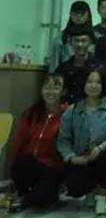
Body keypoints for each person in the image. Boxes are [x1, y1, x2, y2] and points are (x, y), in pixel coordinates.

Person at [57, 66, 106, 214]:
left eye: (98, 82)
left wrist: (100, 148)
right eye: (89, 81)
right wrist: (72, 157)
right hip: (83, 158)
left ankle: (103, 194)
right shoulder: (72, 110)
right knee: (74, 187)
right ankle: (90, 191)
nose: (93, 86)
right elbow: (63, 141)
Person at [10, 73, 68, 210]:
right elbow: (19, 143)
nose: (50, 92)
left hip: (53, 170)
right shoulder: (32, 113)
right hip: (32, 165)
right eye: (46, 87)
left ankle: (43, 195)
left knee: (38, 201)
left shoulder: (68, 115)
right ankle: (25, 193)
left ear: (64, 91)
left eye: (56, 88)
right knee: (21, 161)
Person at [56, 25, 100, 103]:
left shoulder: (99, 67)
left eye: (84, 41)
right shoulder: (62, 68)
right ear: (71, 42)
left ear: (90, 42)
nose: (80, 44)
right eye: (76, 40)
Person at [52, 0, 93, 70]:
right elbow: (54, 64)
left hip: (91, 74)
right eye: (76, 13)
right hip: (66, 73)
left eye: (82, 13)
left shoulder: (96, 37)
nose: (79, 16)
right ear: (70, 15)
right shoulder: (61, 38)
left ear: (88, 15)